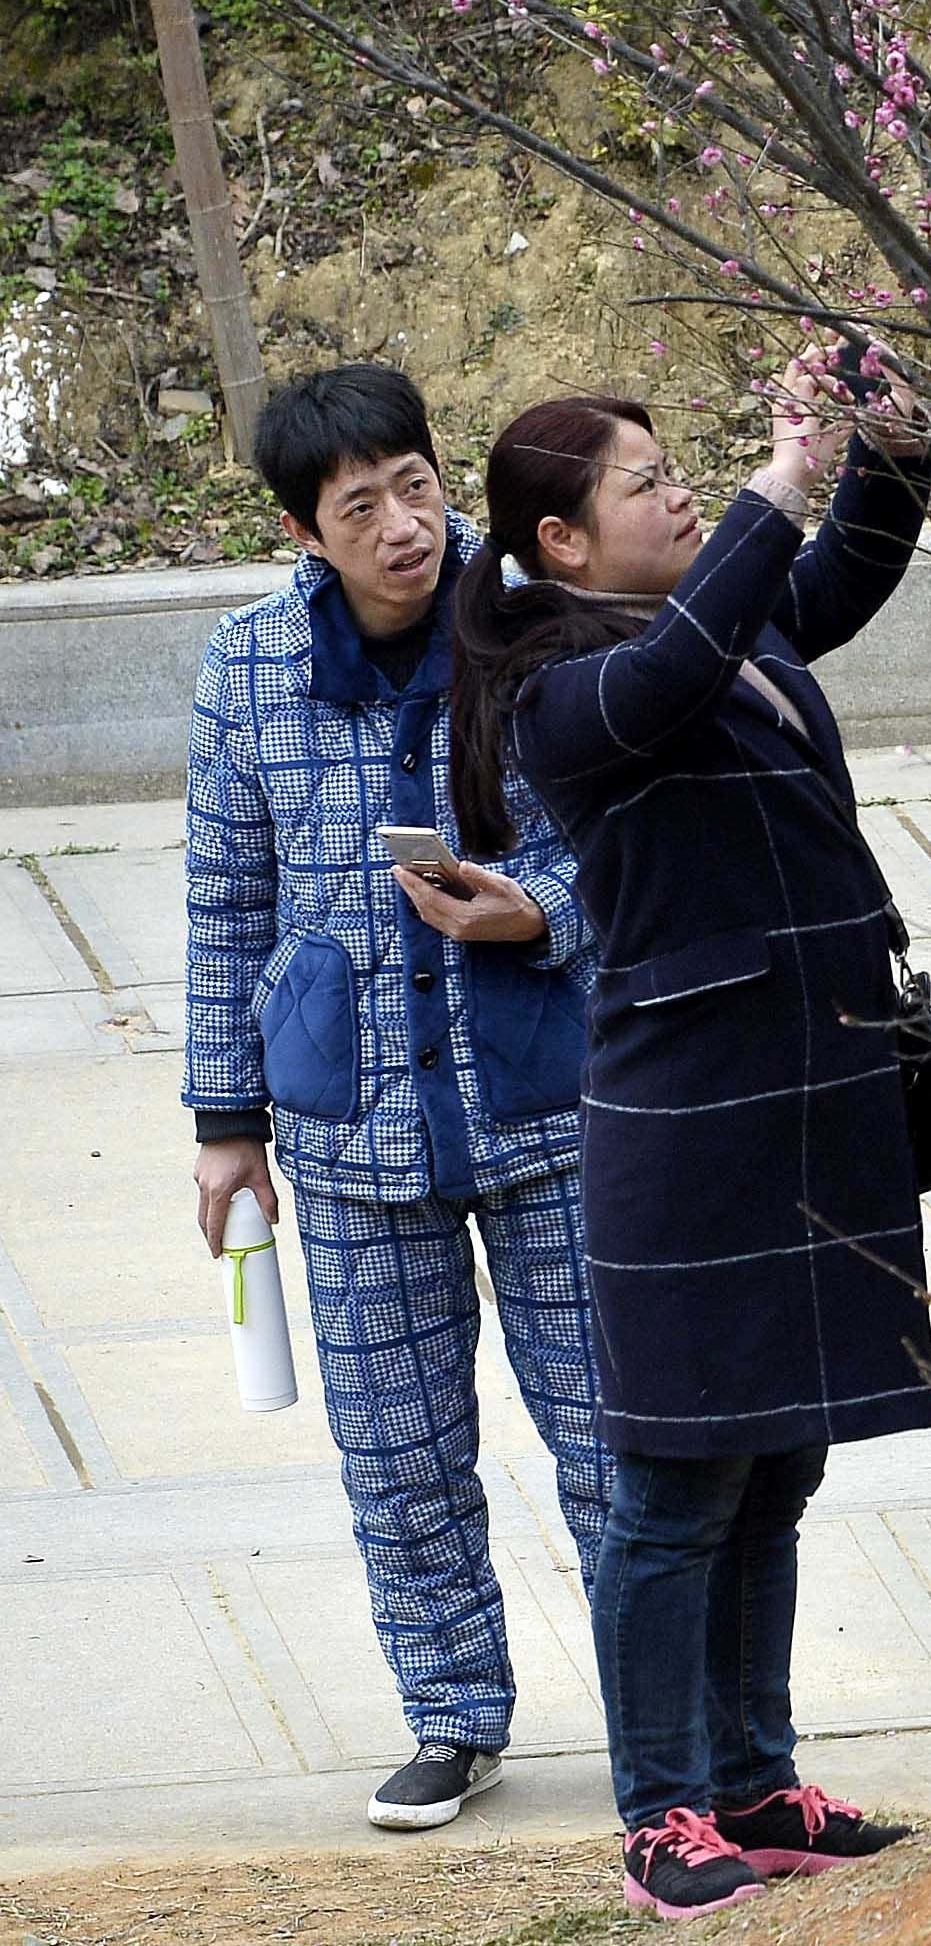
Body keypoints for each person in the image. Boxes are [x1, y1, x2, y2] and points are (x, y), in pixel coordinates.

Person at [450, 353, 931, 1921]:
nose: (678, 494)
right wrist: (774, 490)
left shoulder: (724, 626)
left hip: (809, 1094)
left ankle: (756, 1778)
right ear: (562, 545)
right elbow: (680, 670)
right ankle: (662, 1813)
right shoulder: (563, 691)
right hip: (689, 1129)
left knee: (778, 1464)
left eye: (683, 475)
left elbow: (840, 574)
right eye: (644, 484)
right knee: (673, 1491)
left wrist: (891, 440)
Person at [181, 362, 611, 1834]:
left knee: (611, 1432)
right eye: (358, 506)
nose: (402, 525)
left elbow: (622, 842)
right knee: (398, 1450)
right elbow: (227, 899)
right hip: (350, 1120)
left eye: (416, 486)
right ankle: (451, 1714)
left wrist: (532, 910)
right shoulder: (245, 666)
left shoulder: (539, 627)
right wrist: (223, 1123)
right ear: (306, 533)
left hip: (546, 1095)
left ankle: (667, 1708)